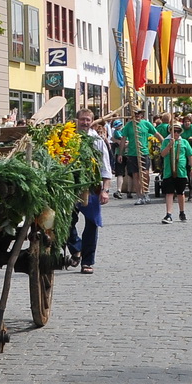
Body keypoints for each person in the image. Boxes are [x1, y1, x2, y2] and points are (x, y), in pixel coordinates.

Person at [68, 108, 113, 273]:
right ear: (77, 120)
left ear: (91, 121)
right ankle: (76, 247)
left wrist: (105, 190)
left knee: (91, 225)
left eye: (88, 120)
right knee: (66, 223)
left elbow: (106, 168)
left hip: (92, 187)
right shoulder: (68, 138)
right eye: (82, 119)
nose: (85, 123)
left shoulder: (98, 141)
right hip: (69, 187)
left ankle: (87, 262)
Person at [157, 123, 192, 223]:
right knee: (169, 193)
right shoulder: (166, 142)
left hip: (181, 172)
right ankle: (168, 214)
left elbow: (190, 155)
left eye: (177, 131)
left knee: (181, 193)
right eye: (174, 131)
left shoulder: (184, 142)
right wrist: (169, 145)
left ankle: (182, 212)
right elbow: (163, 154)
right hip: (168, 171)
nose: (176, 133)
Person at [119, 109, 156, 200]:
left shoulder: (146, 124)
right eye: (135, 114)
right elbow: (123, 139)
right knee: (135, 175)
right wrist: (120, 153)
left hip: (144, 152)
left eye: (138, 114)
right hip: (132, 153)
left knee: (145, 173)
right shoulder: (128, 126)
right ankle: (139, 195)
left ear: (141, 115)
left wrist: (164, 143)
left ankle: (146, 192)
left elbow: (156, 133)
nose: (137, 115)